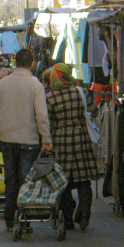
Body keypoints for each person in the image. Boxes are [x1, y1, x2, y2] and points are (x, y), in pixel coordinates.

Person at [0, 49, 52, 232]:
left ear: (15, 63)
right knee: (25, 181)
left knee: (10, 179)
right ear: (32, 64)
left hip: (6, 140)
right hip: (29, 141)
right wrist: (46, 138)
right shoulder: (35, 85)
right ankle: (24, 220)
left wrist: (0, 131)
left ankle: (9, 220)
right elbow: (42, 115)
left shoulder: (2, 84)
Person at [46, 63, 99, 231]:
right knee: (84, 180)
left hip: (61, 140)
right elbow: (94, 112)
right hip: (81, 137)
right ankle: (84, 211)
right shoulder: (81, 92)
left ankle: (67, 218)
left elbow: (47, 122)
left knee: (64, 182)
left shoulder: (50, 98)